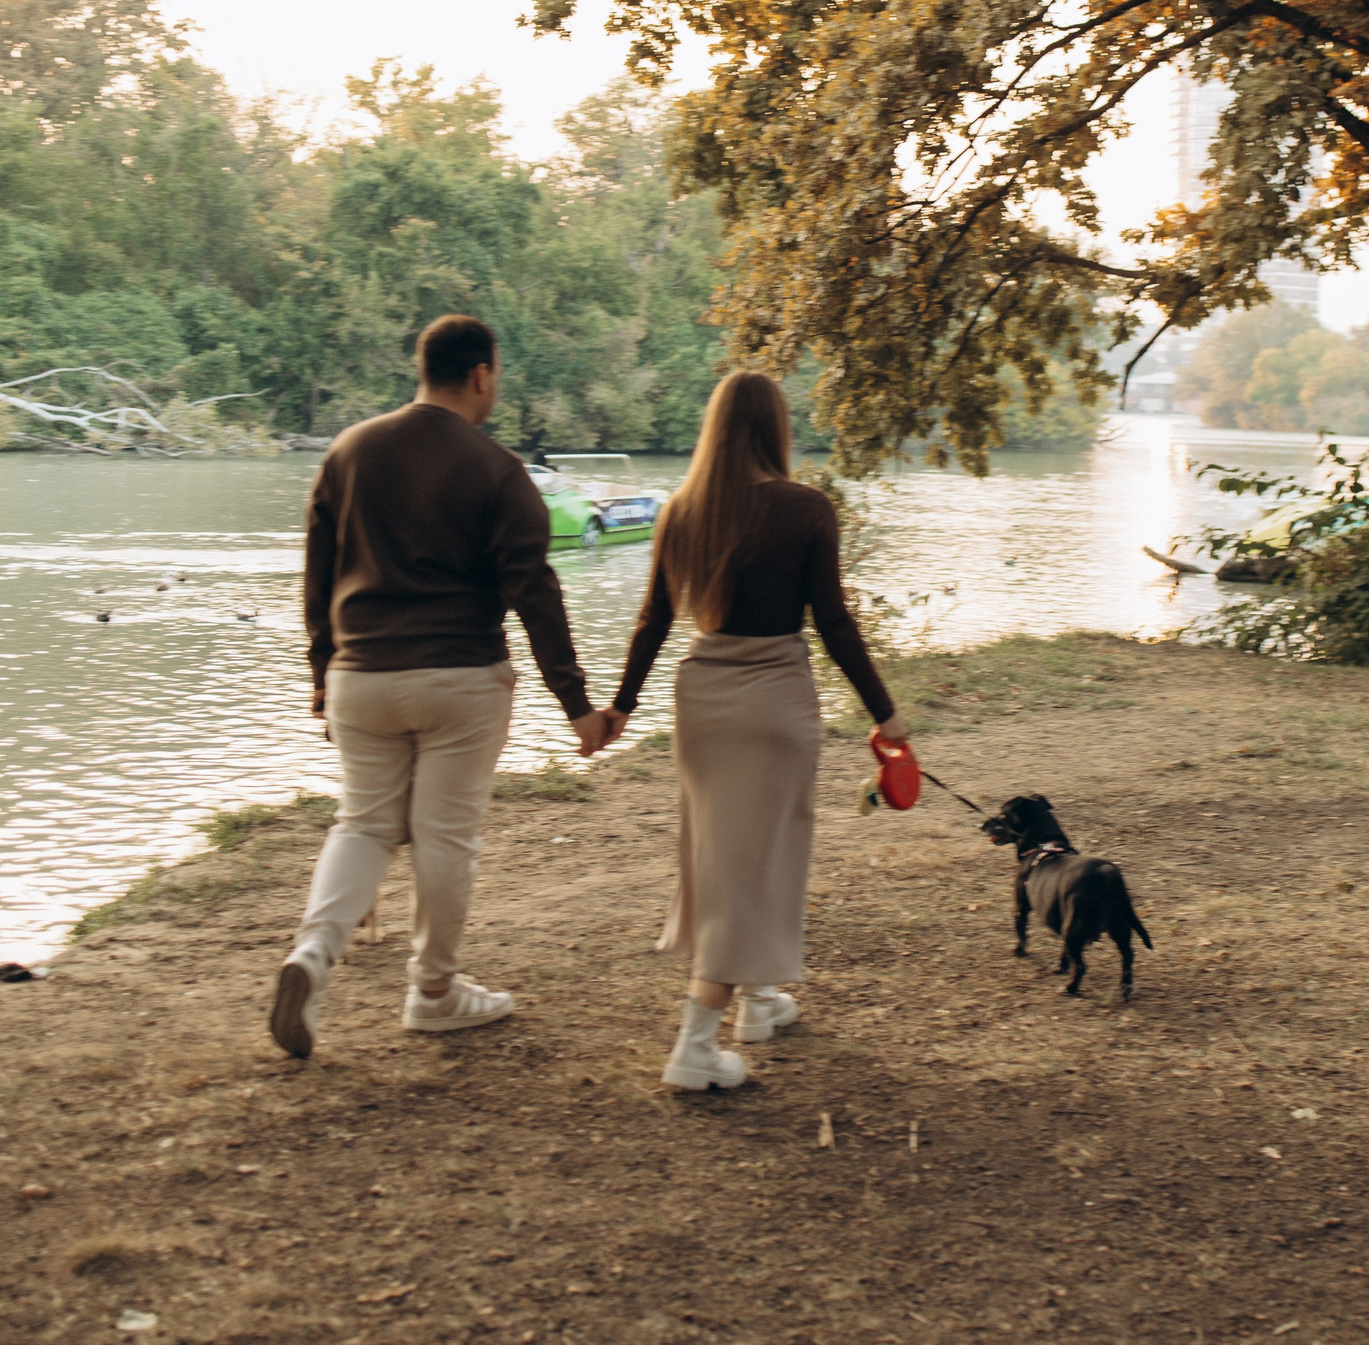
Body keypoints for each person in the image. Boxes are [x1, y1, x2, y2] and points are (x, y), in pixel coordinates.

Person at [269, 315, 613, 1061]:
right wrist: (577, 705)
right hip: (460, 679)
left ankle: (312, 956)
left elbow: (317, 573)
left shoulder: (348, 450)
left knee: (362, 823)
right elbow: (534, 589)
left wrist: (320, 670)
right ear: (482, 374)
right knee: (445, 836)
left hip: (359, 674)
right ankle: (434, 992)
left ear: (423, 368)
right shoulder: (497, 469)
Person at [600, 372, 906, 1092]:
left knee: (721, 857)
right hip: (775, 702)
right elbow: (833, 622)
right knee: (758, 859)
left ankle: (760, 1000)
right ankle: (696, 1044)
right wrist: (884, 712)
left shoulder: (683, 511)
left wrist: (620, 707)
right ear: (776, 428)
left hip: (703, 701)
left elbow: (653, 620)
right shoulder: (806, 509)